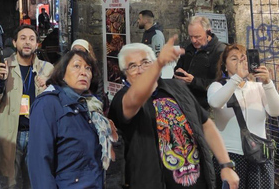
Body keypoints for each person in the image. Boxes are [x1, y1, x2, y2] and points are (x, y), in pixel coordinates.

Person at [108, 39, 240, 189]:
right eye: (132, 66)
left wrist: (226, 165)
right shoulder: (122, 99)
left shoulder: (177, 87)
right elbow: (133, 101)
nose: (140, 69)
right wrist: (158, 64)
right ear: (124, 74)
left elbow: (205, 124)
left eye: (146, 62)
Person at [28, 49, 117, 188]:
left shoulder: (90, 106)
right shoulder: (48, 105)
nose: (84, 72)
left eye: (88, 68)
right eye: (77, 66)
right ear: (62, 73)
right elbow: (39, 162)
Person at [0, 24, 54, 188]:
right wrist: (1, 81)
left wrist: (47, 87)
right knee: (11, 183)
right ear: (15, 43)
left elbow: (54, 104)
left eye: (32, 39)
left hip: (37, 134)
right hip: (11, 133)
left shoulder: (47, 69)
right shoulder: (1, 66)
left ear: (37, 44)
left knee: (34, 181)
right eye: (23, 38)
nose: (27, 42)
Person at [208, 44, 279, 189]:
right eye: (234, 59)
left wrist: (268, 83)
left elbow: (275, 111)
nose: (240, 63)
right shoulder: (218, 86)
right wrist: (236, 78)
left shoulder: (259, 87)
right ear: (225, 66)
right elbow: (215, 102)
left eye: (243, 59)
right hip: (230, 157)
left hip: (259, 157)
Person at [174, 16, 226, 109]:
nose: (193, 40)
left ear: (208, 32)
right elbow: (179, 67)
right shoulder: (189, 48)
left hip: (207, 107)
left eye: (197, 37)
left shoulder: (220, 51)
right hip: (186, 104)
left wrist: (194, 81)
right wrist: (178, 74)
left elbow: (221, 83)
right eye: (191, 37)